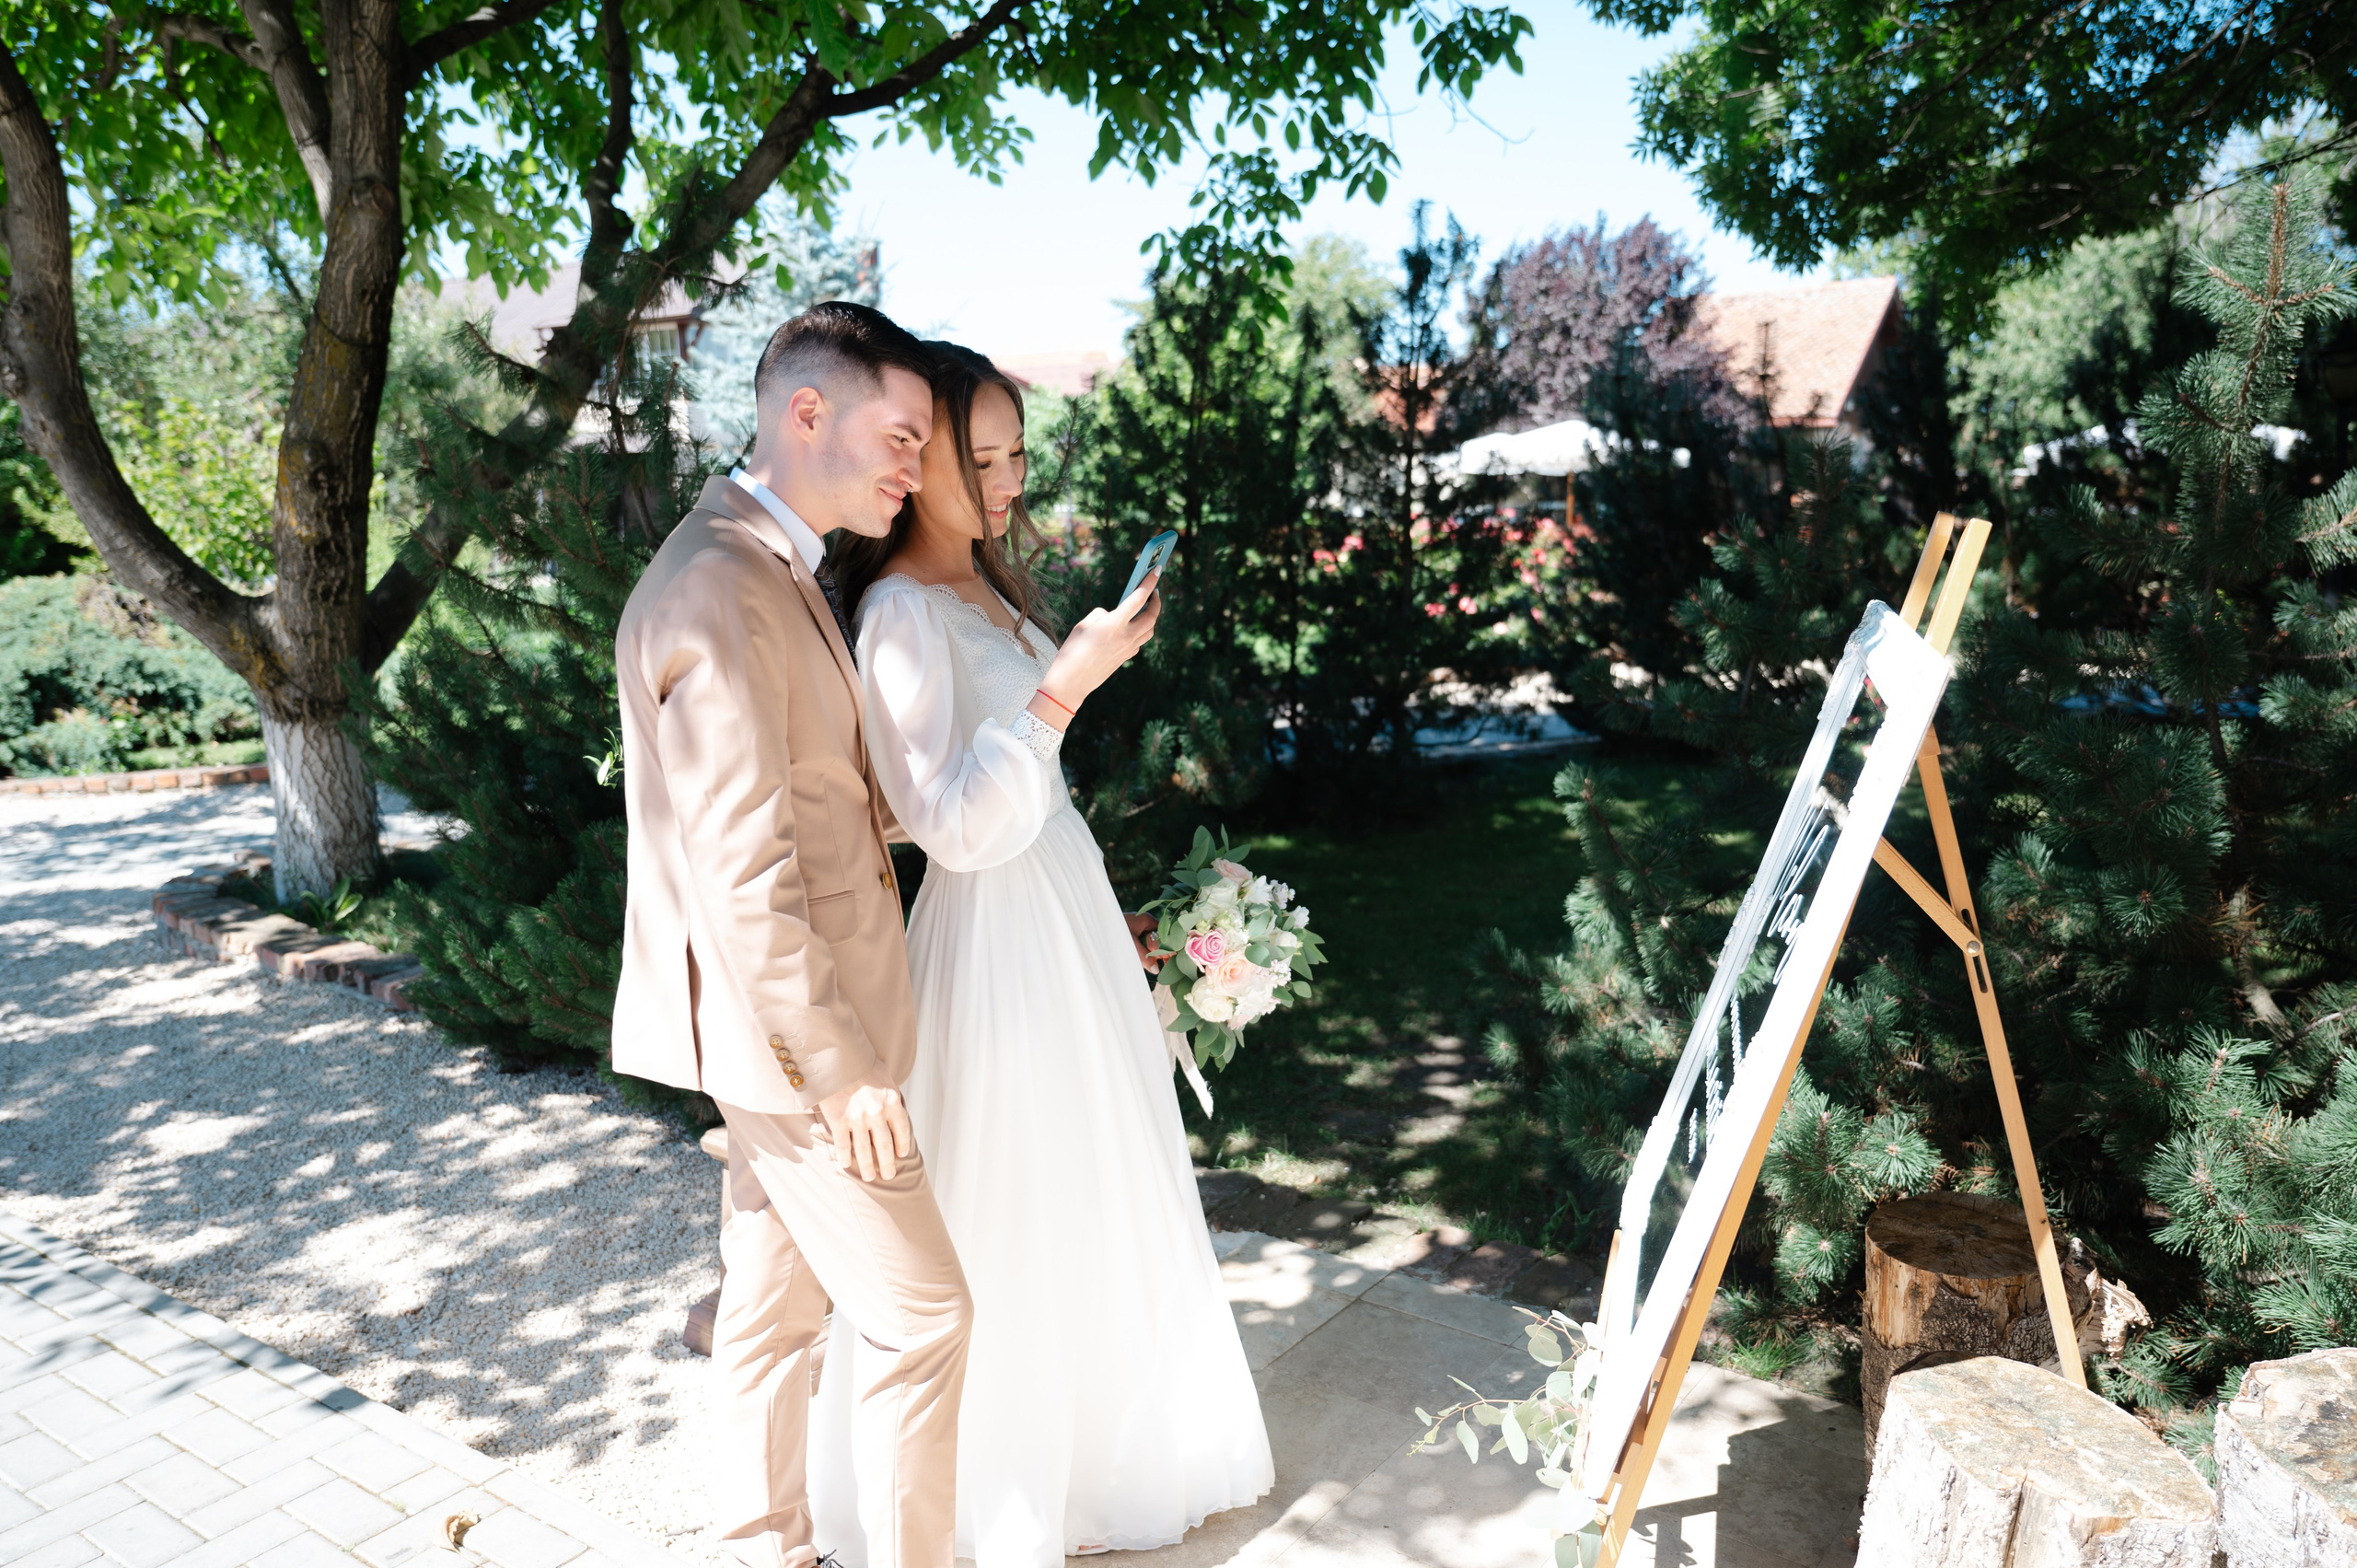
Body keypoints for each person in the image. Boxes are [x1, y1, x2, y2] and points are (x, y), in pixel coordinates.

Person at [816, 343, 1273, 1565]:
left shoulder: (987, 594)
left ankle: (1102, 1456)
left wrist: (1104, 911)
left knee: (1091, 1185)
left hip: (1058, 916)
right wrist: (1068, 681)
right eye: (987, 456)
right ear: (918, 467)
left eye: (1022, 450)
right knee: (1010, 1197)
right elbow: (950, 827)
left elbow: (1026, 803)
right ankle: (1001, 1494)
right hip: (991, 945)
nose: (1012, 476)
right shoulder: (903, 614)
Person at [610, 302, 970, 1568]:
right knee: (926, 1319)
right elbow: (743, 868)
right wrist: (846, 1062)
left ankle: (766, 1543)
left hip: (791, 1030)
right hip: (803, 1043)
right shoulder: (721, 587)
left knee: (770, 1311)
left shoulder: (766, 568)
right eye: (903, 435)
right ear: (807, 413)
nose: (914, 469)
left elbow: (819, 804)